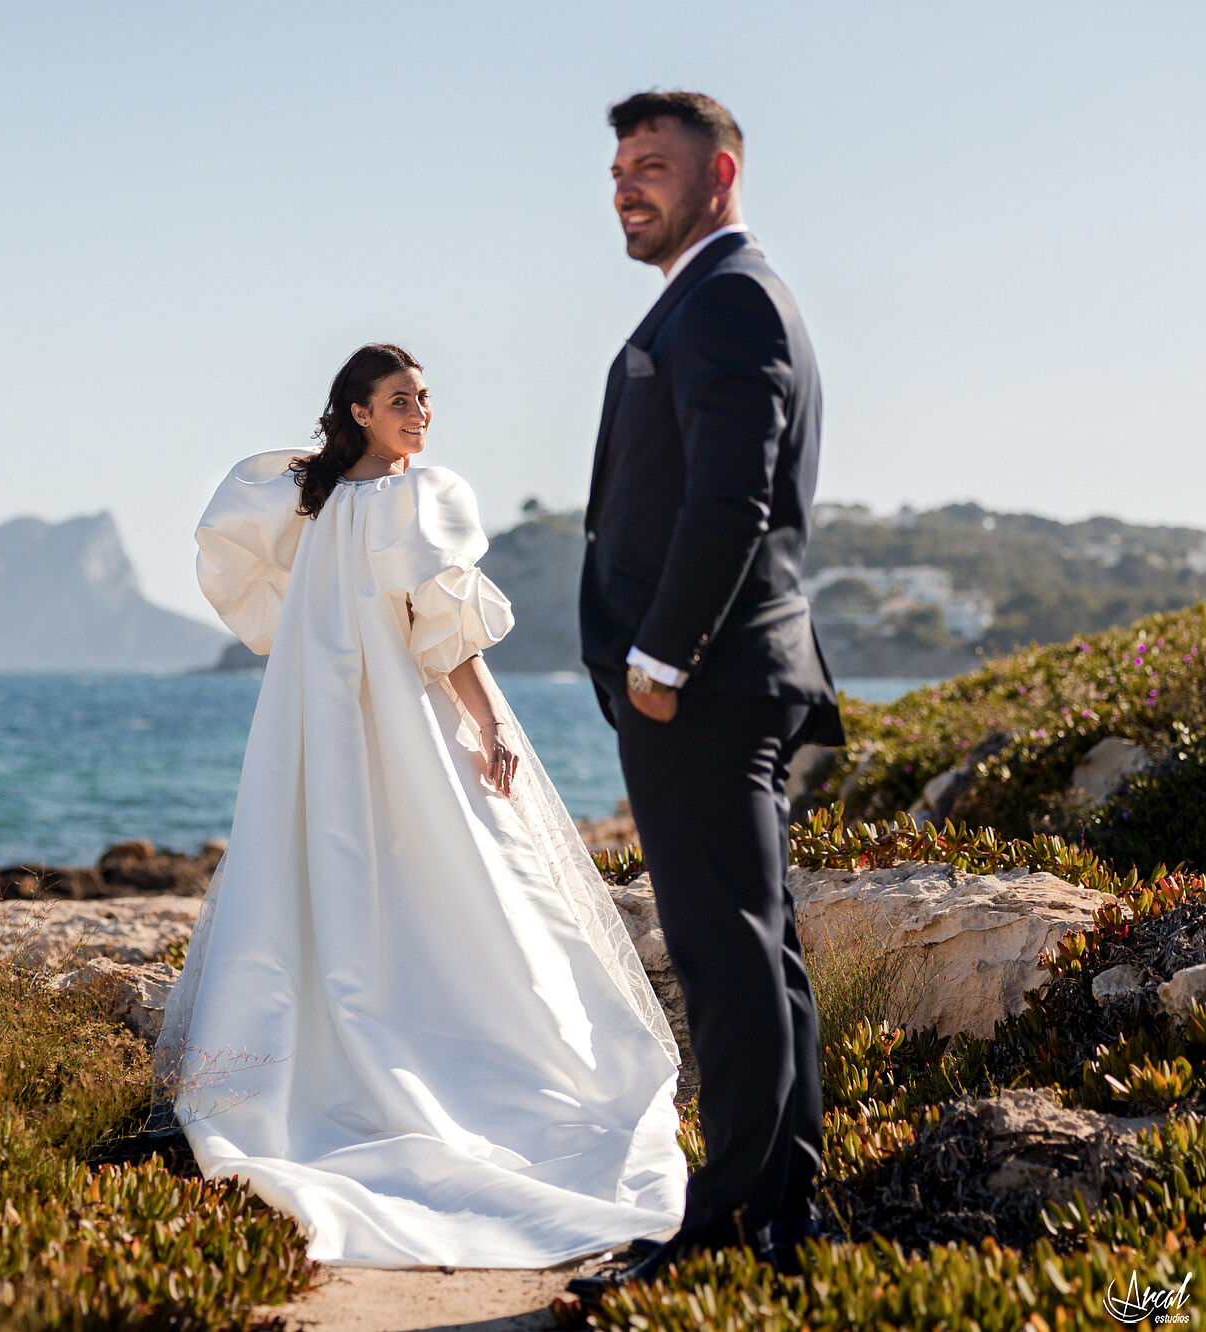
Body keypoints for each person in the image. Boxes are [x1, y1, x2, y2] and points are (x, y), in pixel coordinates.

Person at [153, 343, 689, 1268]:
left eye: (425, 398)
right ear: (358, 411)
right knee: (450, 873)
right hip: (377, 725)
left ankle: (354, 1049)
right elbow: (441, 634)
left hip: (330, 733)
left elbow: (404, 620)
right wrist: (487, 726)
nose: (421, 412)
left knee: (340, 873)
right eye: (401, 399)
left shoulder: (333, 503)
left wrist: (485, 725)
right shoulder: (375, 499)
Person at [567, 91, 844, 1299]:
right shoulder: (709, 293)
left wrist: (659, 663)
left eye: (653, 165)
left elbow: (727, 499)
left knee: (724, 953)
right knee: (755, 949)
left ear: (718, 172)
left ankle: (729, 1230)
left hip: (710, 682)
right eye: (619, 167)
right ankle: (780, 1216)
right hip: (719, 680)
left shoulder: (727, 296)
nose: (628, 185)